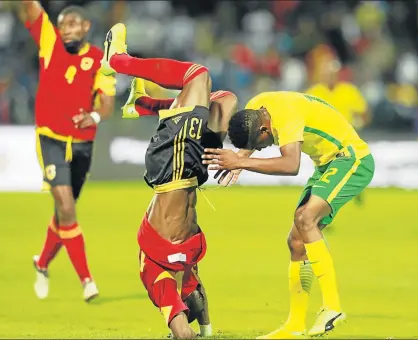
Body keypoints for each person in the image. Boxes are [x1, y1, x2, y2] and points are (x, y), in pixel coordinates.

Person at [100, 23, 237, 339]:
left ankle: (127, 78)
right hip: (181, 177)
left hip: (172, 172)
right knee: (212, 89)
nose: (187, 299)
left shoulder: (157, 273)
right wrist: (200, 329)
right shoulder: (176, 271)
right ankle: (131, 83)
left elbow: (186, 313)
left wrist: (190, 331)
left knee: (208, 84)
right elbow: (194, 302)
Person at [203, 91, 376, 339]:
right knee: (296, 242)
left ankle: (332, 307)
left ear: (264, 129)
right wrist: (237, 158)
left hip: (352, 159)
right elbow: (254, 147)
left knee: (306, 218)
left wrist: (241, 163)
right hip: (328, 164)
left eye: (260, 145)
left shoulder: (286, 115)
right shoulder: (256, 107)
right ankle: (294, 326)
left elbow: (290, 165)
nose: (264, 147)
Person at [18, 0, 116, 302]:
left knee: (64, 212)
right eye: (63, 25)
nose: (67, 30)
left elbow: (107, 104)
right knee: (68, 208)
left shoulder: (100, 60)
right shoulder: (49, 42)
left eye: (73, 24)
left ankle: (42, 262)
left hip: (83, 144)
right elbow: (30, 7)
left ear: (86, 27)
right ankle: (87, 280)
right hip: (51, 138)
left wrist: (95, 116)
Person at [306, 59, 370, 204]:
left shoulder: (349, 91)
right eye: (326, 73)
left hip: (346, 139)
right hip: (323, 141)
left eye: (331, 73)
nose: (328, 76)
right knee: (325, 173)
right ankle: (322, 203)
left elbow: (364, 113)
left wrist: (360, 125)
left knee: (350, 167)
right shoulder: (314, 92)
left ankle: (352, 189)